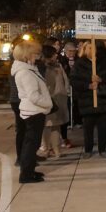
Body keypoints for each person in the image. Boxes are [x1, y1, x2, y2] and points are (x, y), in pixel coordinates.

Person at [11, 41, 51, 183]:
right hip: (34, 111)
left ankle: (29, 171)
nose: (38, 56)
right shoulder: (25, 72)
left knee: (32, 144)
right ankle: (26, 175)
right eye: (35, 53)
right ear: (26, 55)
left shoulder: (28, 69)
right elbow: (33, 95)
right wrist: (48, 104)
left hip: (34, 110)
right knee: (31, 144)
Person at [71, 41, 106, 158]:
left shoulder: (103, 62)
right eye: (89, 48)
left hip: (102, 99)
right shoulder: (79, 64)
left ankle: (102, 149)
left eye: (94, 48)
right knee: (88, 127)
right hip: (87, 99)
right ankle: (88, 149)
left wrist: (101, 79)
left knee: (103, 126)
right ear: (85, 50)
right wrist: (88, 85)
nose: (92, 50)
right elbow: (74, 81)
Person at [41, 45, 70, 158]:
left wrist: (66, 91)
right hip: (48, 100)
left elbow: (65, 79)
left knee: (57, 125)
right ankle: (47, 149)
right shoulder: (43, 68)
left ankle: (57, 149)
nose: (56, 55)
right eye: (54, 54)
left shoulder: (58, 66)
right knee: (47, 126)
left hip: (60, 99)